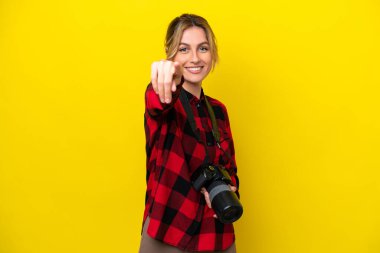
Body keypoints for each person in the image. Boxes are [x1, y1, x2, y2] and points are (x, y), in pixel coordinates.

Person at [139, 14, 240, 253]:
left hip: (215, 233)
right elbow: (156, 101)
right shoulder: (164, 98)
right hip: (170, 230)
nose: (195, 58)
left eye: (203, 48)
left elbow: (231, 168)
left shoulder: (218, 110)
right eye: (184, 49)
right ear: (171, 55)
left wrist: (229, 186)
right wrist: (164, 78)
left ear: (212, 53)